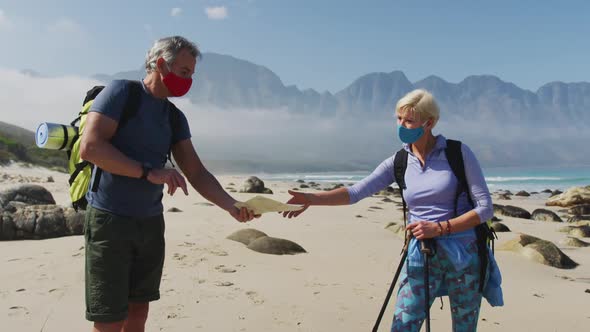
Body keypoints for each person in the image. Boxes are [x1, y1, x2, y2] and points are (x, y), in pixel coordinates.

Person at [283, 89, 502, 331]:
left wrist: (439, 228)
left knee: (464, 328)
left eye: (408, 120)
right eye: (399, 119)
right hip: (422, 253)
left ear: (429, 123)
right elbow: (356, 192)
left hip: (464, 256)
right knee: (403, 325)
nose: (401, 125)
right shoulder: (399, 161)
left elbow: (485, 208)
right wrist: (312, 198)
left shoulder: (458, 154)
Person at [80, 36, 257, 332]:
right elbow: (91, 147)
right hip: (110, 221)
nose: (188, 81)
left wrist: (233, 205)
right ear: (161, 64)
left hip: (149, 224)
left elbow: (196, 172)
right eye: (184, 72)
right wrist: (148, 172)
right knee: (109, 319)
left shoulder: (174, 117)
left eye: (191, 75)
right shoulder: (122, 93)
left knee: (138, 313)